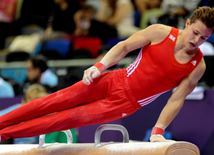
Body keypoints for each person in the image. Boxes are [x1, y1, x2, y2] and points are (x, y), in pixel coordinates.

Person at [0, 6, 213, 143]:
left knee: (62, 120)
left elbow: (176, 99)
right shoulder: (160, 32)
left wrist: (158, 130)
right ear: (187, 23)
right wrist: (99, 66)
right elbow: (123, 47)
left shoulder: (197, 66)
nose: (196, 40)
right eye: (195, 32)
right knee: (52, 101)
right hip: (113, 79)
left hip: (123, 104)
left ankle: (3, 133)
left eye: (204, 38)